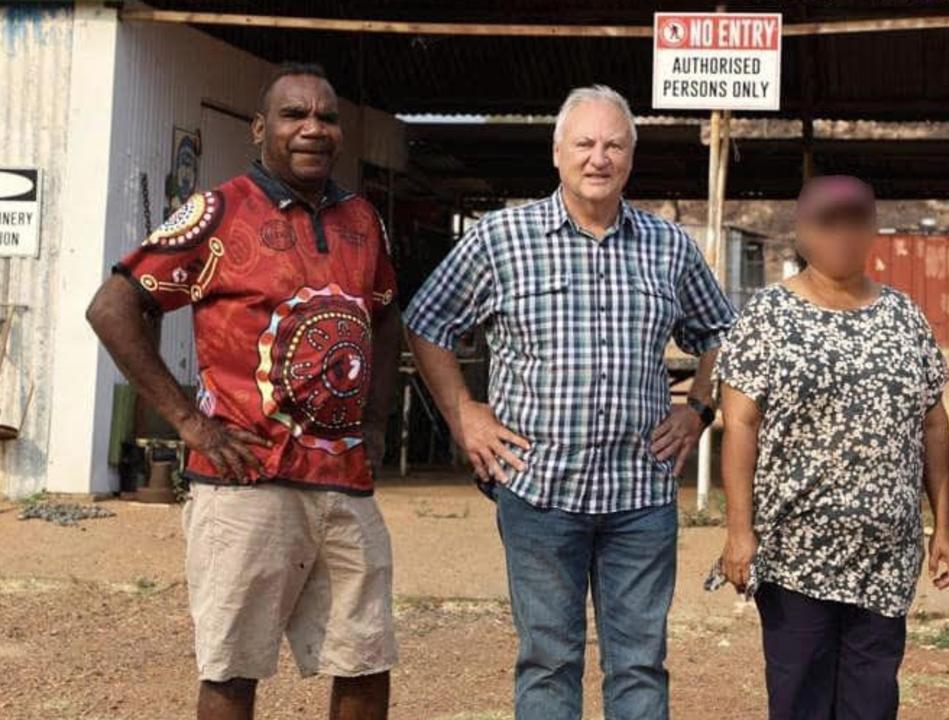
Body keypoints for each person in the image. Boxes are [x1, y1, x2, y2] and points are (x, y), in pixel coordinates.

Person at [403, 85, 736, 720]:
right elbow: (428, 322)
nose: (598, 157)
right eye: (584, 143)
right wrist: (464, 414)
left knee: (639, 666)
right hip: (538, 491)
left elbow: (722, 332)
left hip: (639, 495)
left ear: (631, 158)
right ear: (557, 154)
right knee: (549, 663)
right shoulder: (501, 239)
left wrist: (697, 409)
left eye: (614, 144)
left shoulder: (668, 247)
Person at [86, 63, 401, 720]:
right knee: (233, 669)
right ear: (260, 128)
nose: (313, 127)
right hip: (245, 484)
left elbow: (386, 314)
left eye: (327, 116)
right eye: (294, 115)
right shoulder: (217, 211)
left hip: (345, 484)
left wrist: (374, 420)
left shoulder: (362, 220)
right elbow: (114, 307)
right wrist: (188, 422)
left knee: (366, 660)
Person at [712, 175, 949, 720]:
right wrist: (738, 532)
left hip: (884, 554)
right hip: (795, 555)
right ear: (801, 233)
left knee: (871, 702)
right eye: (827, 221)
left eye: (856, 219)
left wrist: (941, 526)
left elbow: (933, 425)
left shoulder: (904, 317)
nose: (843, 233)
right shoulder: (766, 317)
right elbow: (740, 426)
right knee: (800, 698)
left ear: (873, 228)